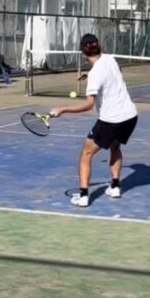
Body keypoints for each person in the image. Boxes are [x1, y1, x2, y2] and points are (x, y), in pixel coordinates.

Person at [50, 34, 138, 208]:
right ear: (99, 47)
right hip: (130, 117)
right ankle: (115, 187)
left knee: (86, 153)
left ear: (83, 52)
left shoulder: (95, 74)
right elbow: (114, 73)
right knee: (115, 146)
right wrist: (90, 74)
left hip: (111, 120)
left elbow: (89, 105)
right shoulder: (110, 59)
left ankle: (83, 196)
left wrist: (63, 109)